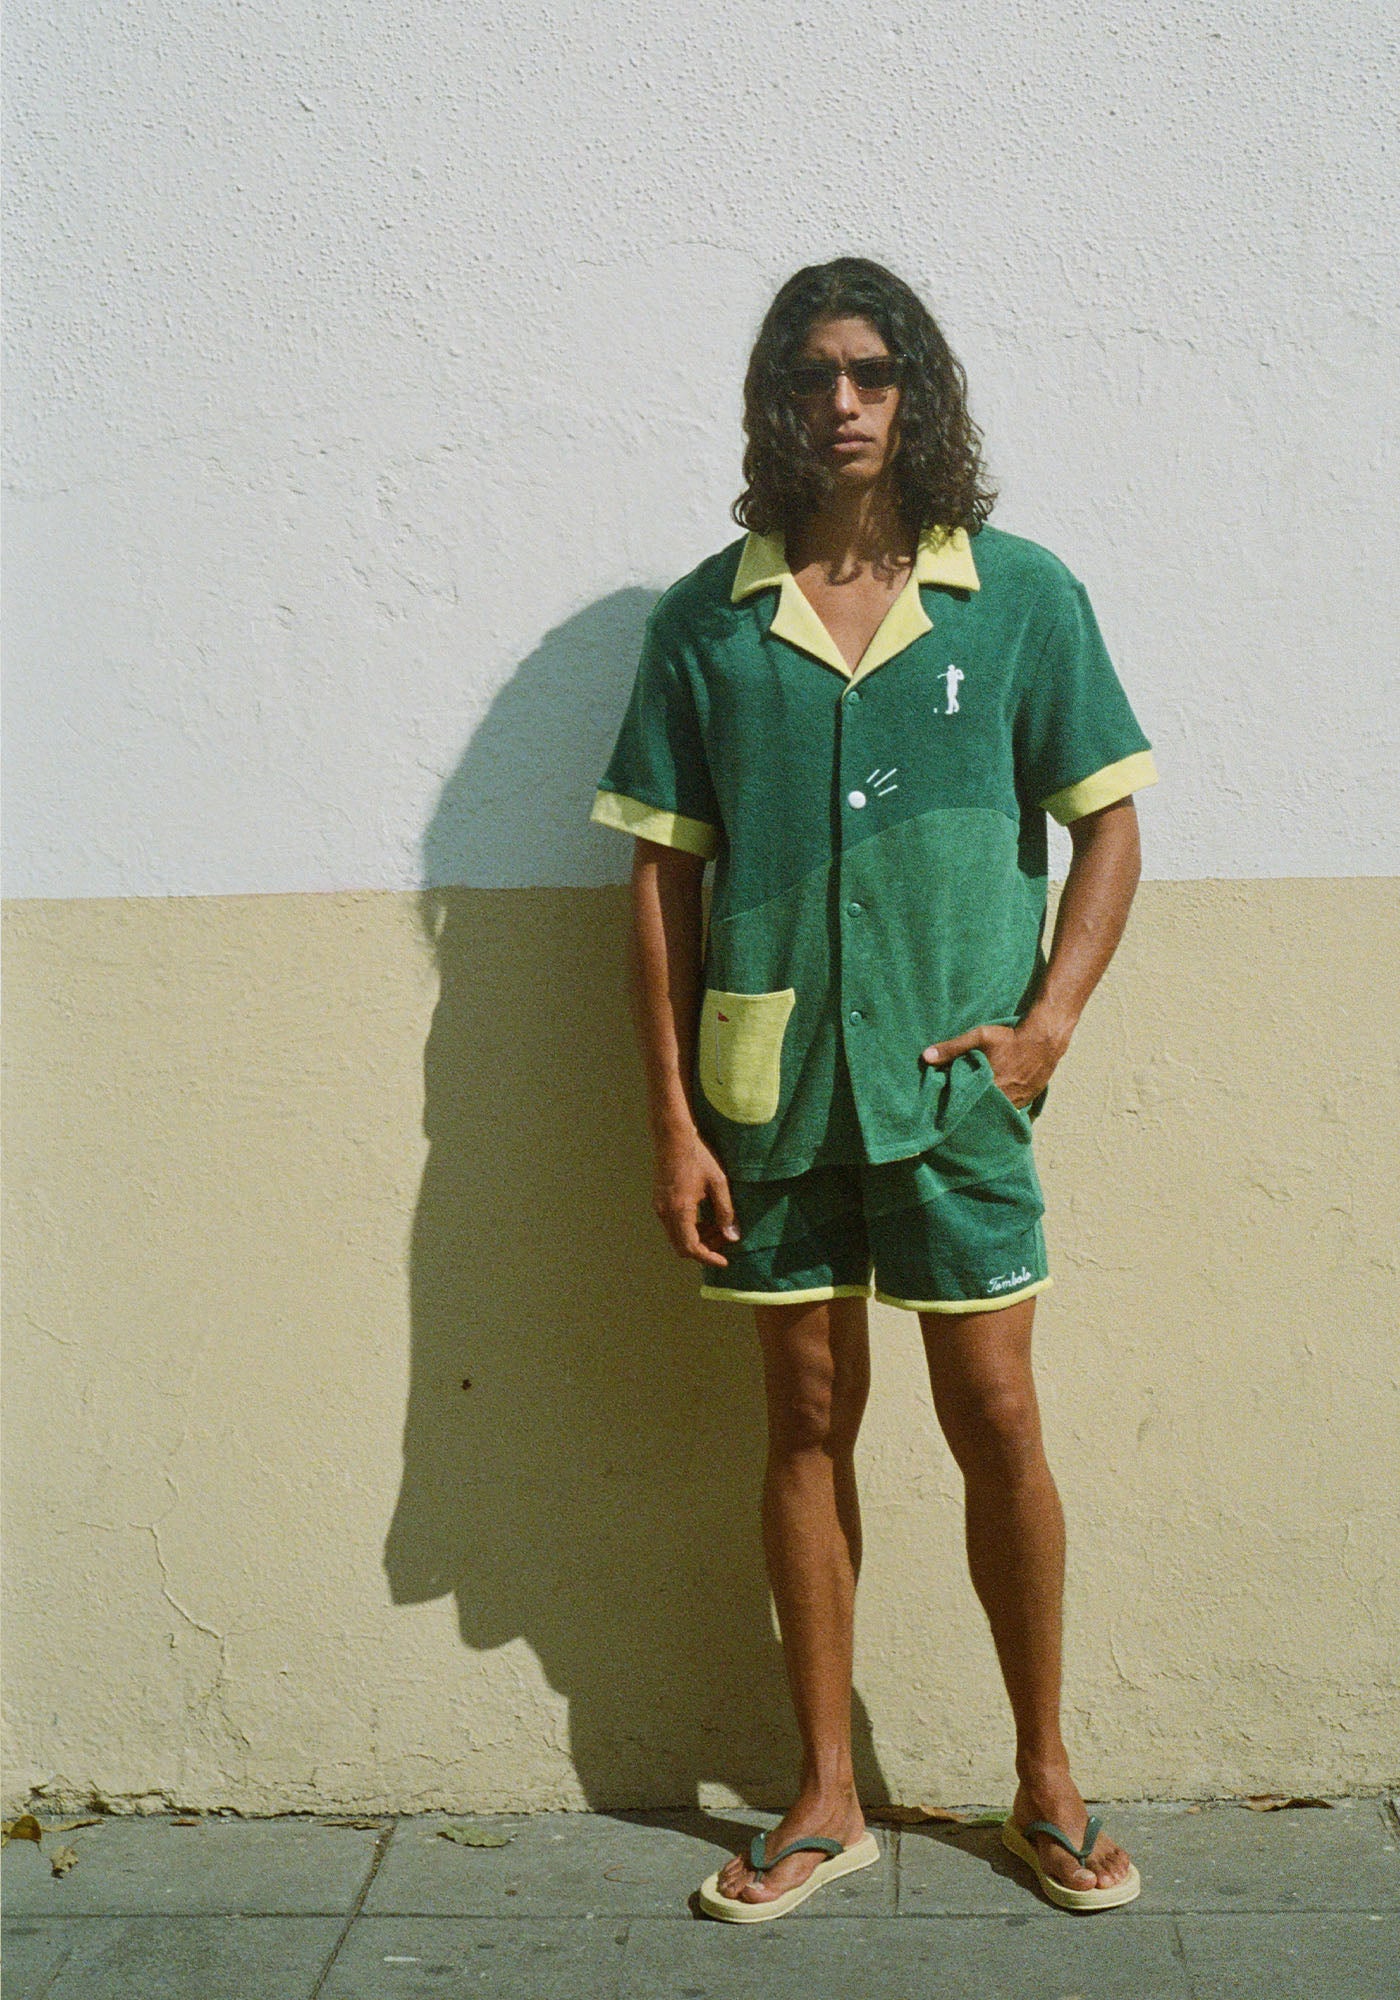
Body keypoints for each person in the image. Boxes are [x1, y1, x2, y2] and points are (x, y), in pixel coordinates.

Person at [589, 257, 1156, 1921]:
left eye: (872, 371)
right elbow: (658, 878)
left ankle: (1045, 1780)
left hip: (959, 1096)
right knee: (808, 1419)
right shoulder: (709, 619)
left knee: (996, 1419)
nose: (841, 401)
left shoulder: (1020, 597)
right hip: (770, 1103)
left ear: (918, 394)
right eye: (810, 375)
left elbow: (1110, 822)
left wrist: (1046, 1026)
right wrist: (675, 1116)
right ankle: (825, 1789)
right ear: (774, 402)